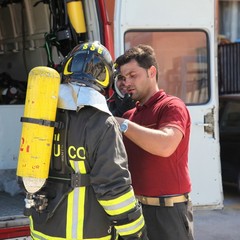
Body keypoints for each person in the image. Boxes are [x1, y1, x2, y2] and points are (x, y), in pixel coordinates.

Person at [27, 41, 148, 240]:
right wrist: (135, 232)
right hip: (88, 234)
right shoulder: (104, 124)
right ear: (106, 78)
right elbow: (114, 189)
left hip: (42, 232)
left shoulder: (42, 115)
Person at [114, 44, 194, 240]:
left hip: (167, 212)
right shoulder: (130, 115)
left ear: (151, 72)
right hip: (134, 212)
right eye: (124, 78)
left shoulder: (171, 106)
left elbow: (166, 145)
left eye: (133, 75)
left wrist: (123, 125)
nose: (127, 83)